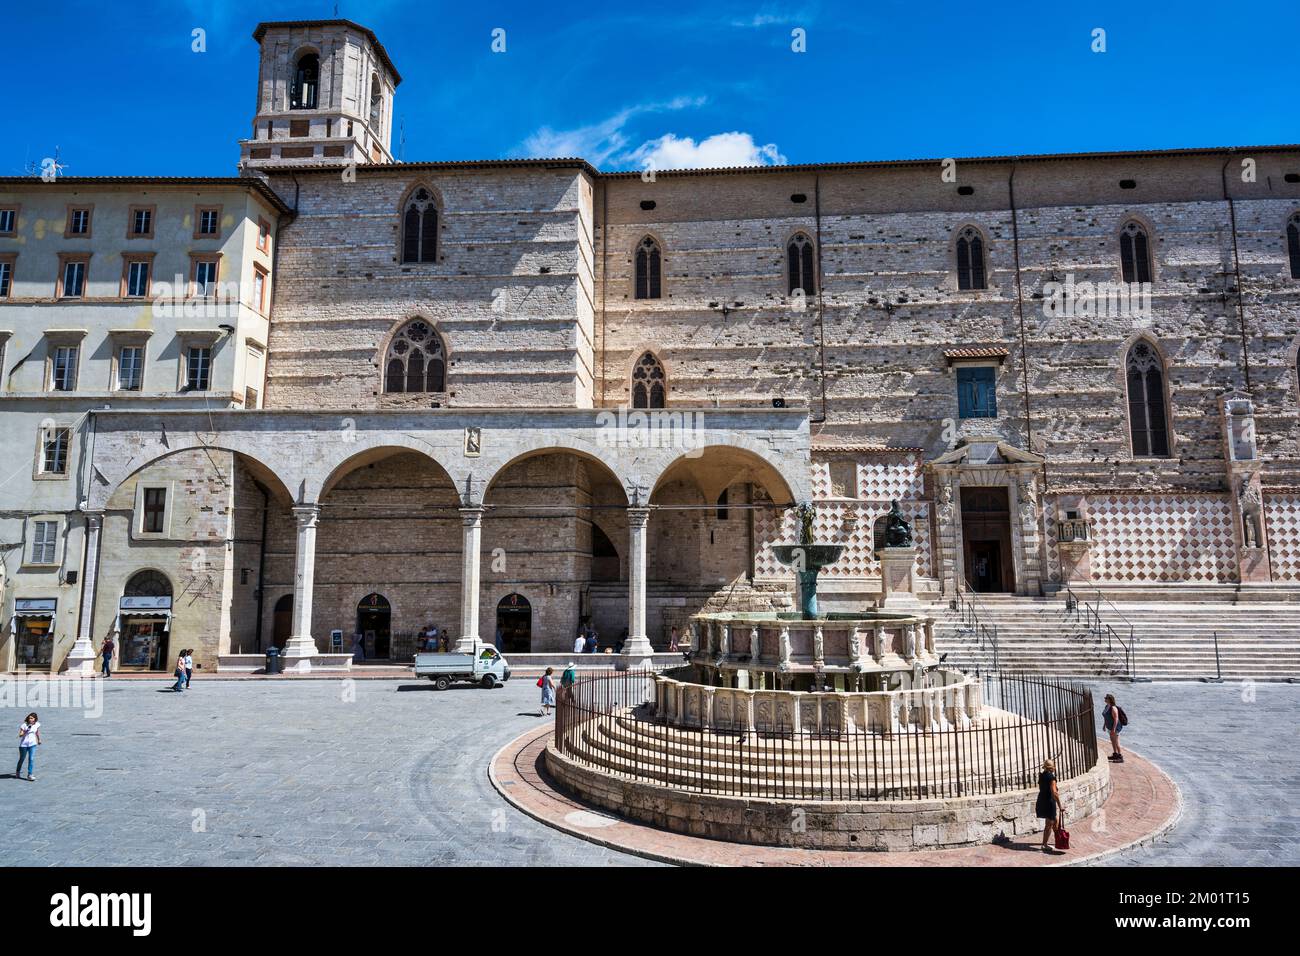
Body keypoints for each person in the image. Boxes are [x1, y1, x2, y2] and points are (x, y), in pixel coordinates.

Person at [1036, 758, 1064, 851]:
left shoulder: (1042, 775)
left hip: (1042, 800)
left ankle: (1059, 841)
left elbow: (1041, 788)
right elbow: (1054, 792)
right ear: (1052, 768)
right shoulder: (1051, 778)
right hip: (1049, 802)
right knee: (1049, 824)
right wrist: (1060, 805)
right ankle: (1044, 844)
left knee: (1055, 821)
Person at [16, 712, 40, 781]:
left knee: (31, 759)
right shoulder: (24, 725)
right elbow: (20, 735)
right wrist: (26, 731)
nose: (30, 719)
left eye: (32, 718)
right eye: (29, 718)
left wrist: (39, 740)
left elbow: (37, 732)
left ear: (35, 719)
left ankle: (30, 774)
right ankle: (18, 771)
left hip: (32, 744)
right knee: (22, 759)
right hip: (23, 745)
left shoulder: (37, 724)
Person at [1102, 693, 1125, 762]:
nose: (1105, 699)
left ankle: (1120, 757)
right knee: (1112, 741)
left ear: (1109, 699)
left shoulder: (1113, 708)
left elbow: (1116, 719)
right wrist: (1104, 725)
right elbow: (1106, 717)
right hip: (1109, 727)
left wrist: (1114, 729)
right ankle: (1115, 754)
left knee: (1116, 741)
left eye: (1106, 698)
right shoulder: (1107, 706)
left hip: (1115, 727)